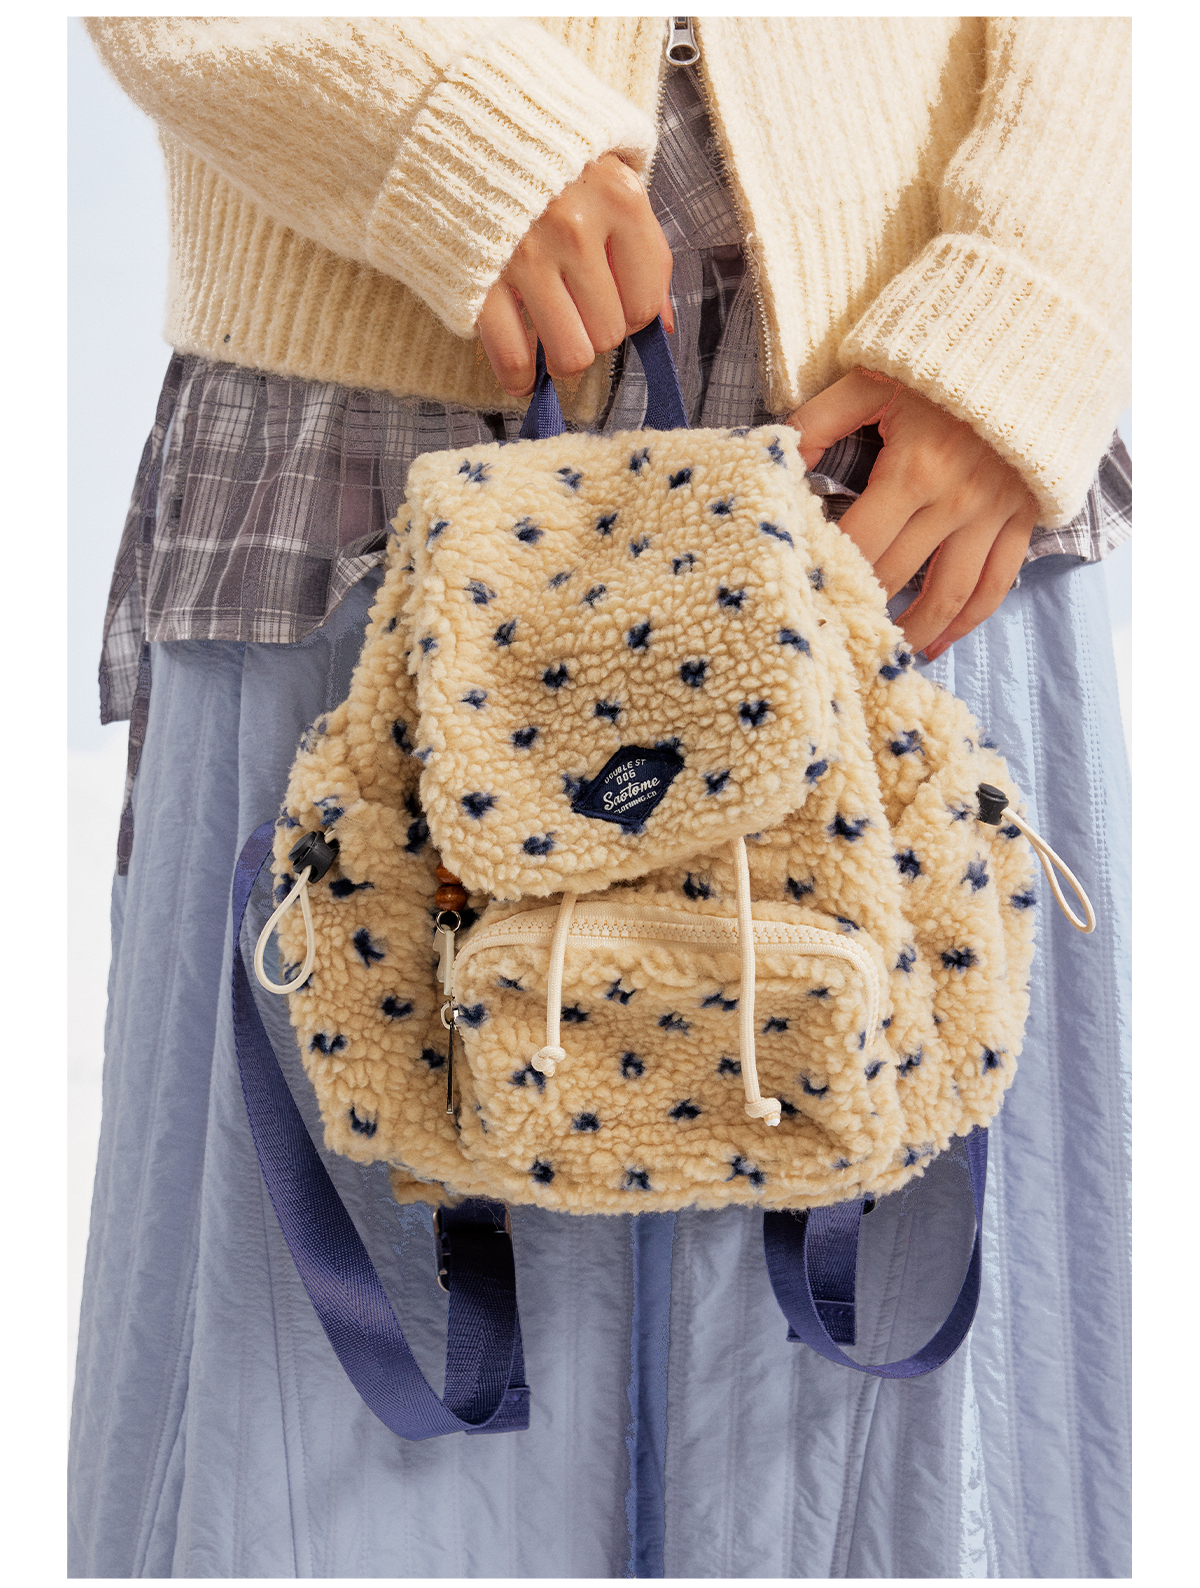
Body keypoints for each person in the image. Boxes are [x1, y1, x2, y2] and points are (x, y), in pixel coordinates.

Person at [71, 17, 1131, 1578]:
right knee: (321, 1441)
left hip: (920, 441)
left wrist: (1040, 284)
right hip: (371, 385)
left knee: (905, 1472)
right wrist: (428, 119)